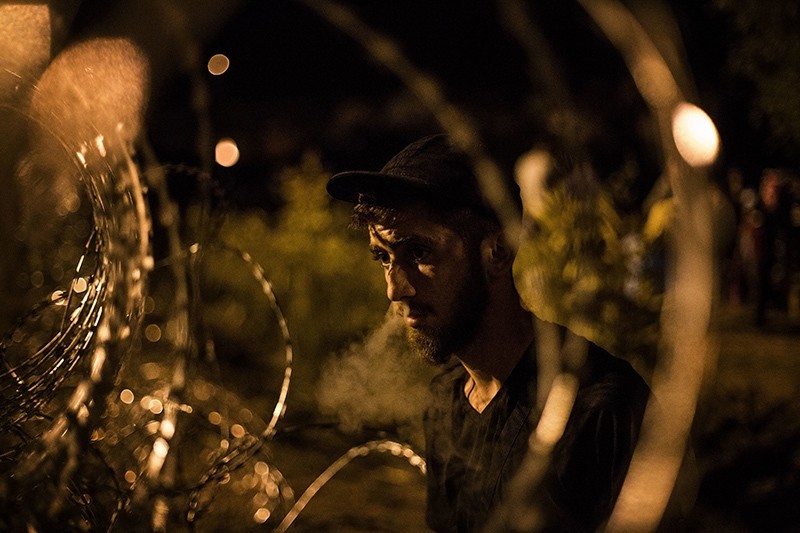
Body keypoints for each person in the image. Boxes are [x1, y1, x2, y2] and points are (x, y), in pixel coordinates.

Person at [327, 134, 651, 532]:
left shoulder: (599, 409)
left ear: (497, 252)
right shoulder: (445, 401)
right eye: (384, 257)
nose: (395, 289)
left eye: (419, 253)